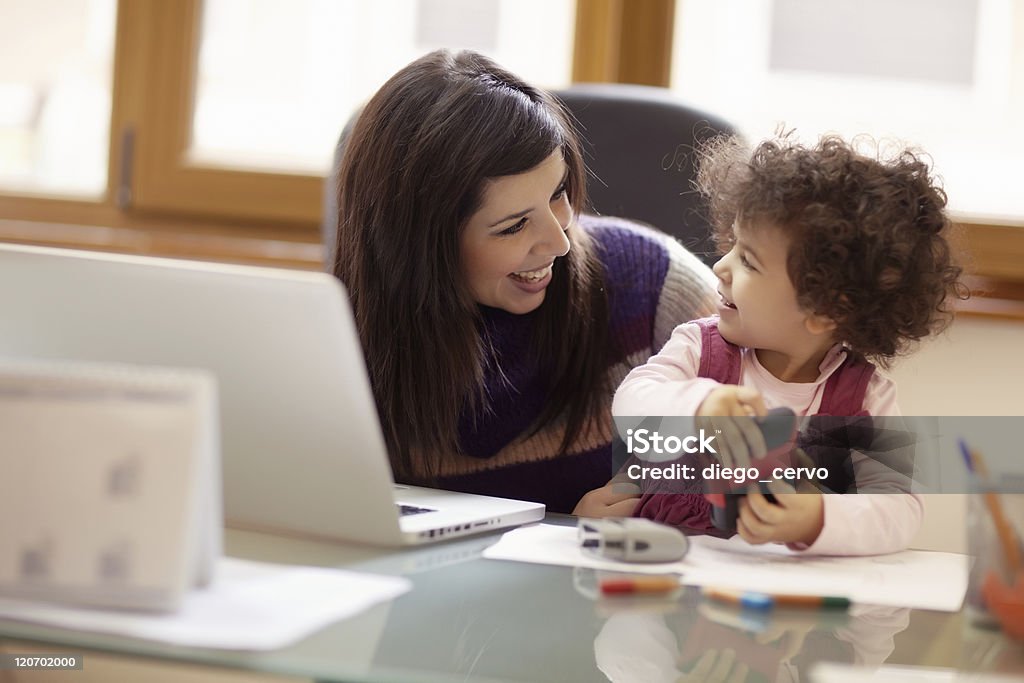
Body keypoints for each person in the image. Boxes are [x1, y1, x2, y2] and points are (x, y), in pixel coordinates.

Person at [332, 49, 717, 514]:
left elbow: (808, 457)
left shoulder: (653, 283)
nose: (560, 243)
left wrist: (662, 497)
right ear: (417, 246)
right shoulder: (337, 339)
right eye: (514, 226)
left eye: (558, 194)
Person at [610, 133, 967, 554]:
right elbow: (632, 404)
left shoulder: (865, 400)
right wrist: (698, 406)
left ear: (824, 311)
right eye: (732, 247)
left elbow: (900, 509)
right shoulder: (699, 348)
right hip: (669, 583)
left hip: (784, 602)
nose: (720, 267)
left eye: (748, 260)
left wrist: (818, 518)